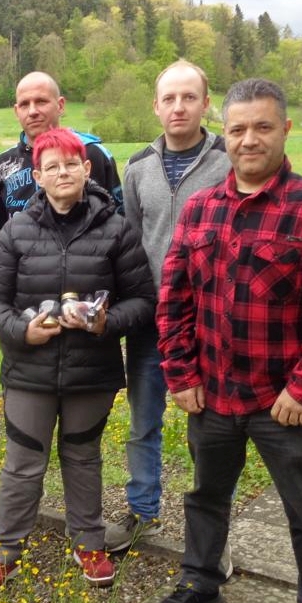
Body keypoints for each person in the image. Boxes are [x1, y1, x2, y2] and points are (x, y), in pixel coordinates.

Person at [154, 78, 302, 603]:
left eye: (262, 127)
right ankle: (200, 580)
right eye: (239, 129)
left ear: (285, 130)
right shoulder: (200, 210)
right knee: (206, 496)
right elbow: (175, 301)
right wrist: (180, 373)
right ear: (226, 134)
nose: (250, 140)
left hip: (282, 405)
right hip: (212, 396)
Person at [0, 129, 154, 592]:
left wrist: (103, 323)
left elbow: (143, 300)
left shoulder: (117, 230)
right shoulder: (16, 231)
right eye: (51, 167)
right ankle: (4, 549)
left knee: (82, 457)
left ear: (86, 169)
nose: (62, 173)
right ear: (38, 176)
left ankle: (88, 542)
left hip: (91, 371)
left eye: (71, 164)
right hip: (29, 369)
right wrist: (22, 331)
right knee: (22, 462)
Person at [107, 60, 230, 554]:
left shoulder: (228, 161)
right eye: (169, 99)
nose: (178, 107)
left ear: (205, 103)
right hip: (152, 322)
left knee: (213, 428)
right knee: (143, 422)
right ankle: (142, 509)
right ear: (156, 107)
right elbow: (131, 244)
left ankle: (211, 527)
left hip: (213, 321)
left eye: (189, 97)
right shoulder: (137, 167)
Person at [0, 71, 120, 231]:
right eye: (24, 104)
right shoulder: (2, 166)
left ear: (60, 105)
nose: (32, 111)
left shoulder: (94, 154)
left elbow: (119, 218)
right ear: (17, 111)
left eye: (41, 102)